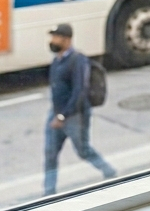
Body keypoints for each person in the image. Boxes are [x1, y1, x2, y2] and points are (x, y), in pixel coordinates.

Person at [44, 23, 115, 196]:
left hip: (74, 116)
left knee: (83, 150)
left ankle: (109, 172)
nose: (52, 41)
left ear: (67, 40)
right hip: (56, 113)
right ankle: (48, 192)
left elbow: (79, 91)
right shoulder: (57, 60)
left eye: (56, 37)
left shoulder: (77, 60)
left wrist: (62, 116)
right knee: (50, 152)